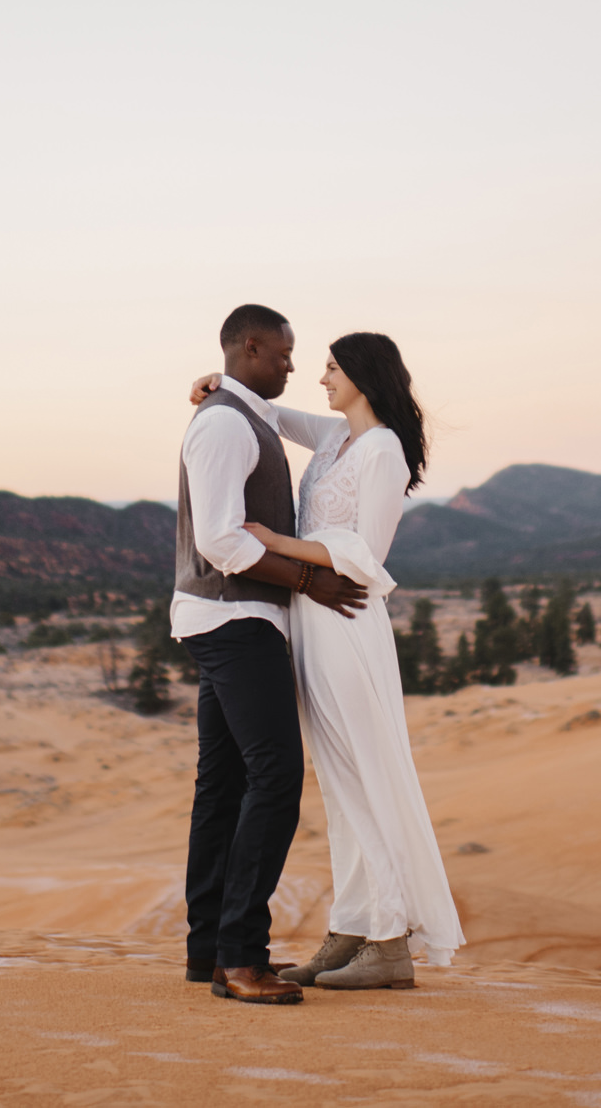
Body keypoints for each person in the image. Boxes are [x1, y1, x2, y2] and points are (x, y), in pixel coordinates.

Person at [189, 329, 464, 990]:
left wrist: (282, 541)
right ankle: (354, 922)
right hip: (310, 621)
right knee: (339, 783)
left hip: (345, 620)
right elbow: (270, 412)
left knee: (363, 773)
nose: (320, 378)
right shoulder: (338, 436)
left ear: (364, 374)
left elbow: (368, 552)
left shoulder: (384, 450)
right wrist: (217, 384)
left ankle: (390, 938)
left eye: (332, 368)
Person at [174, 303, 370, 1005]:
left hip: (231, 617)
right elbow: (221, 541)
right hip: (234, 617)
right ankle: (240, 955)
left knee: (223, 784)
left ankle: (211, 952)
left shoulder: (238, 412)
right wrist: (310, 579)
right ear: (251, 346)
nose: (293, 364)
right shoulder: (226, 423)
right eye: (285, 353)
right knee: (276, 773)